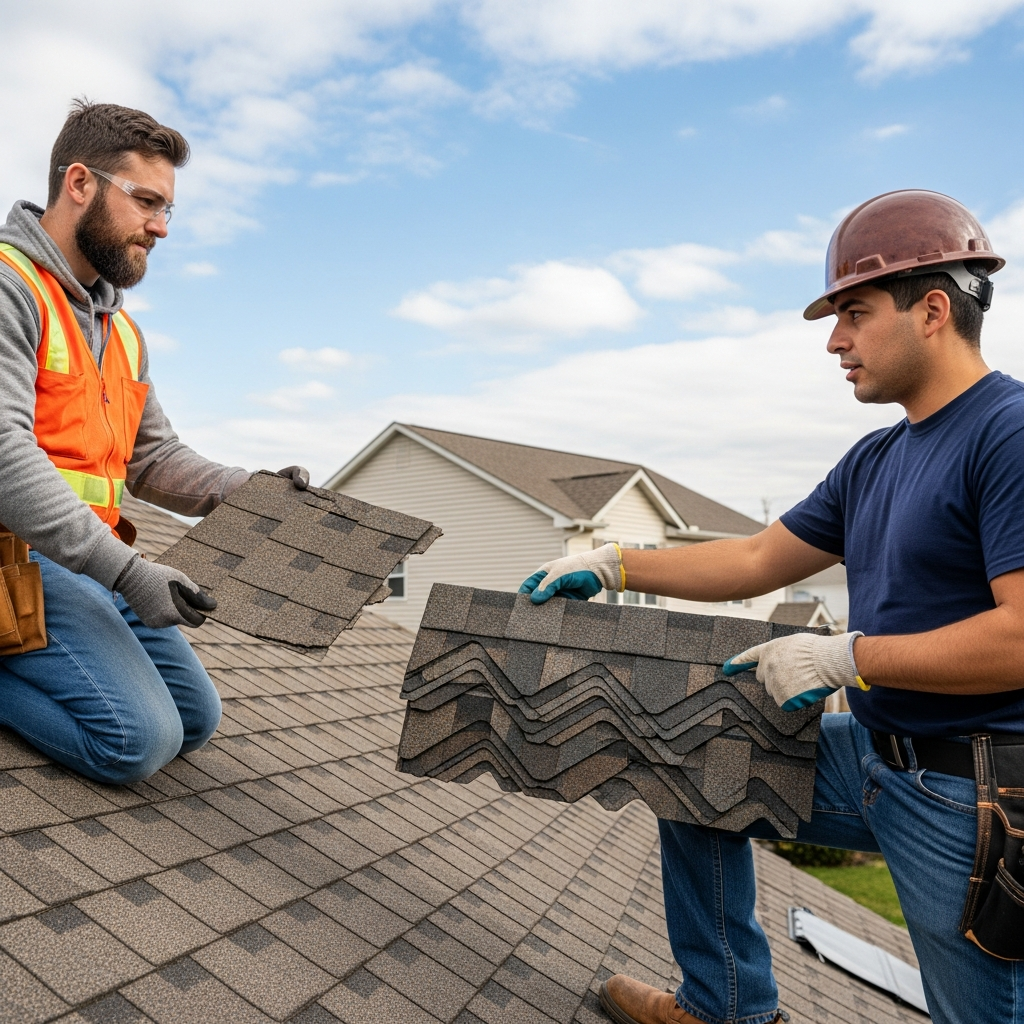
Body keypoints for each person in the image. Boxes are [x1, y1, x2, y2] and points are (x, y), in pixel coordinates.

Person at [520, 190, 1024, 1024]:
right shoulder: (877, 457)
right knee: (695, 761)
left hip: (970, 795)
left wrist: (848, 656)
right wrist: (611, 562)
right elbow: (757, 559)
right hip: (870, 752)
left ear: (932, 309)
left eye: (855, 313)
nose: (835, 341)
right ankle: (728, 1008)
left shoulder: (1006, 434)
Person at [0, 100, 308, 785]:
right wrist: (129, 574)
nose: (161, 227)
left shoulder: (120, 329)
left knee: (196, 721)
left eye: (167, 208)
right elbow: (2, 453)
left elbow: (155, 459)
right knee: (135, 742)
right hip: (14, 559)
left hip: (81, 559)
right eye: (145, 201)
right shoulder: (9, 287)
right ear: (79, 184)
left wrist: (249, 490)